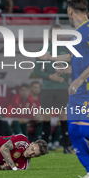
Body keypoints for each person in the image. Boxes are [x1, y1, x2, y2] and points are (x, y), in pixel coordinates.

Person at [39, 0, 89, 178]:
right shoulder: (78, 34)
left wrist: (79, 78)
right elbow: (72, 57)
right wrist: (51, 60)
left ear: (70, 11)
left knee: (86, 130)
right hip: (78, 90)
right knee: (73, 131)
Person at [34, 24, 71, 153]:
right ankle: (44, 147)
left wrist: (65, 73)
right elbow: (35, 70)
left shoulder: (67, 49)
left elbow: (74, 69)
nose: (58, 36)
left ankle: (67, 146)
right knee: (46, 117)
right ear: (50, 35)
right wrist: (50, 76)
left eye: (59, 33)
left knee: (63, 116)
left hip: (62, 87)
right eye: (55, 33)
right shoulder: (43, 48)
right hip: (47, 87)